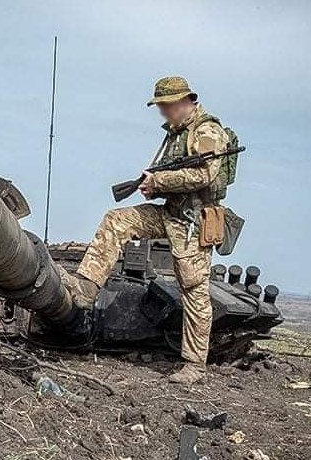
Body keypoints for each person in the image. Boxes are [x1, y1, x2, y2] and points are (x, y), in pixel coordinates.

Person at [63, 76, 232, 385]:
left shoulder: (208, 131)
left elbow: (205, 175)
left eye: (166, 106)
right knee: (117, 220)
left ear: (184, 101)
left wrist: (159, 182)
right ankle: (86, 288)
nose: (162, 113)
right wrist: (154, 189)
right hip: (170, 213)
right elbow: (176, 177)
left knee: (193, 289)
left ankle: (194, 365)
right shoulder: (175, 135)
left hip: (195, 222)